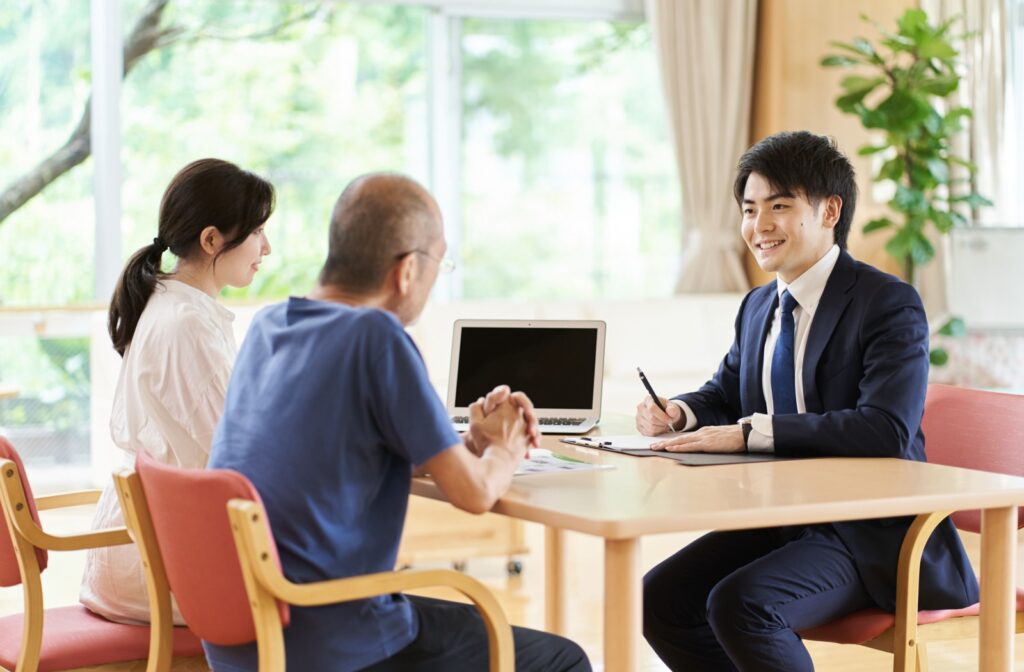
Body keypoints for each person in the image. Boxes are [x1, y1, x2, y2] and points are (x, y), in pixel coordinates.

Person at [206, 173, 591, 672]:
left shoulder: (269, 325)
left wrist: (472, 446)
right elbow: (474, 496)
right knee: (565, 660)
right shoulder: (376, 335)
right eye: (440, 264)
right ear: (408, 270)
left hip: (245, 631)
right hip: (329, 634)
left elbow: (342, 453)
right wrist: (506, 448)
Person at [636, 131, 979, 671]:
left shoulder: (886, 303)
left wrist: (752, 433)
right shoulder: (758, 306)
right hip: (783, 521)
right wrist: (680, 411)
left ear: (829, 211)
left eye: (779, 206)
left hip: (871, 535)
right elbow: (727, 393)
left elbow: (885, 428)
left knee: (744, 604)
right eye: (750, 210)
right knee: (659, 599)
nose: (759, 225)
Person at [80, 158, 274, 625]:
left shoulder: (169, 303)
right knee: (338, 589)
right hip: (158, 568)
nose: (266, 248)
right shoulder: (189, 325)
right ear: (211, 240)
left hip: (139, 552)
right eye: (257, 233)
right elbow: (234, 460)